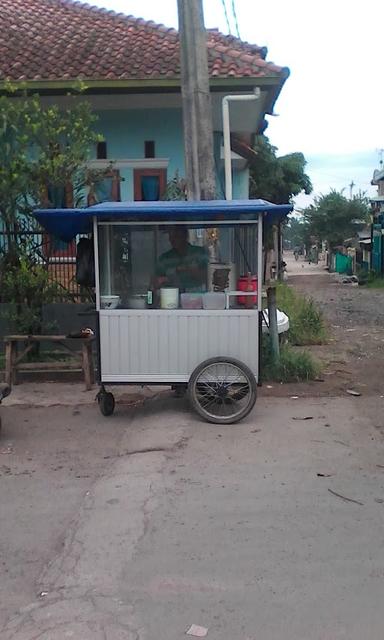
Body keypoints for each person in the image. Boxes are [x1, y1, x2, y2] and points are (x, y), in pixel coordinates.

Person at [154, 227, 208, 292]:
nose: (172, 240)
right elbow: (154, 284)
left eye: (177, 236)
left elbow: (208, 278)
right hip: (171, 297)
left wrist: (189, 269)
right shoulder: (164, 258)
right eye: (170, 236)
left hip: (198, 296)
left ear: (185, 236)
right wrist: (164, 280)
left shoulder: (200, 253)